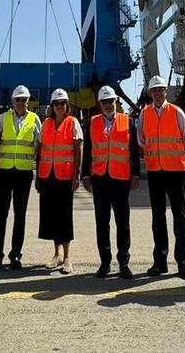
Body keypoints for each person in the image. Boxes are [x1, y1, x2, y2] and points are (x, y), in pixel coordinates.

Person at [81, 86, 141, 278]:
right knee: (102, 223)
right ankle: (105, 262)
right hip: (100, 179)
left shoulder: (128, 122)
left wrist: (136, 175)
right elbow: (88, 151)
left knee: (123, 223)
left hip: (121, 179)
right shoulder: (92, 123)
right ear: (100, 104)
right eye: (104, 102)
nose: (108, 105)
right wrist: (85, 175)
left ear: (116, 102)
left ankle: (123, 262)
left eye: (111, 101)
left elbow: (134, 151)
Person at [138, 75, 185, 279]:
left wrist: (177, 156)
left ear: (165, 91)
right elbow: (141, 139)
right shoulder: (145, 114)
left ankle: (183, 263)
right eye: (154, 90)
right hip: (155, 172)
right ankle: (160, 262)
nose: (158, 93)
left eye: (160, 89)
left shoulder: (176, 112)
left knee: (180, 218)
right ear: (150, 93)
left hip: (175, 171)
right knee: (158, 218)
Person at [0, 85, 40, 270]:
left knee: (20, 216)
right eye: (18, 99)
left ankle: (15, 255)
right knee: (1, 215)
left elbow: (40, 143)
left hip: (23, 172)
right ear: (12, 101)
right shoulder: (3, 118)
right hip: (4, 171)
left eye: (24, 100)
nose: (21, 103)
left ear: (28, 101)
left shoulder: (34, 119)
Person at [37, 88, 83, 274]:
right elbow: (39, 151)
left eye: (62, 103)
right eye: (56, 103)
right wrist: (38, 177)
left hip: (65, 176)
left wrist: (77, 174)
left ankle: (67, 258)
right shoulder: (46, 123)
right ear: (52, 106)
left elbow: (79, 148)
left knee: (65, 216)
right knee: (52, 216)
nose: (59, 106)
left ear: (67, 105)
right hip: (47, 176)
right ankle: (56, 255)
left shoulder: (73, 123)